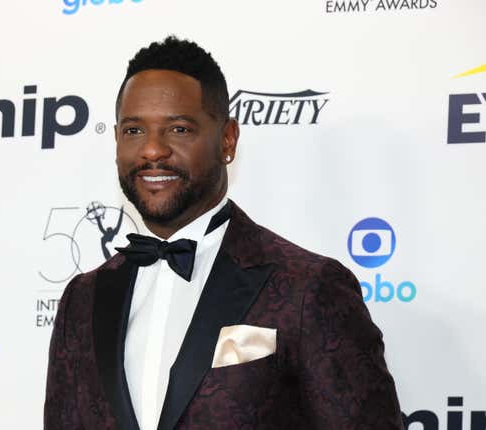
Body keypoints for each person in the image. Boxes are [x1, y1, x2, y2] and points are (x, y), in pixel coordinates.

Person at [44, 36, 404, 430]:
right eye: (133, 131)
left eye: (178, 129)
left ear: (227, 140)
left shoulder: (307, 288)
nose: (151, 150)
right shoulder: (82, 301)